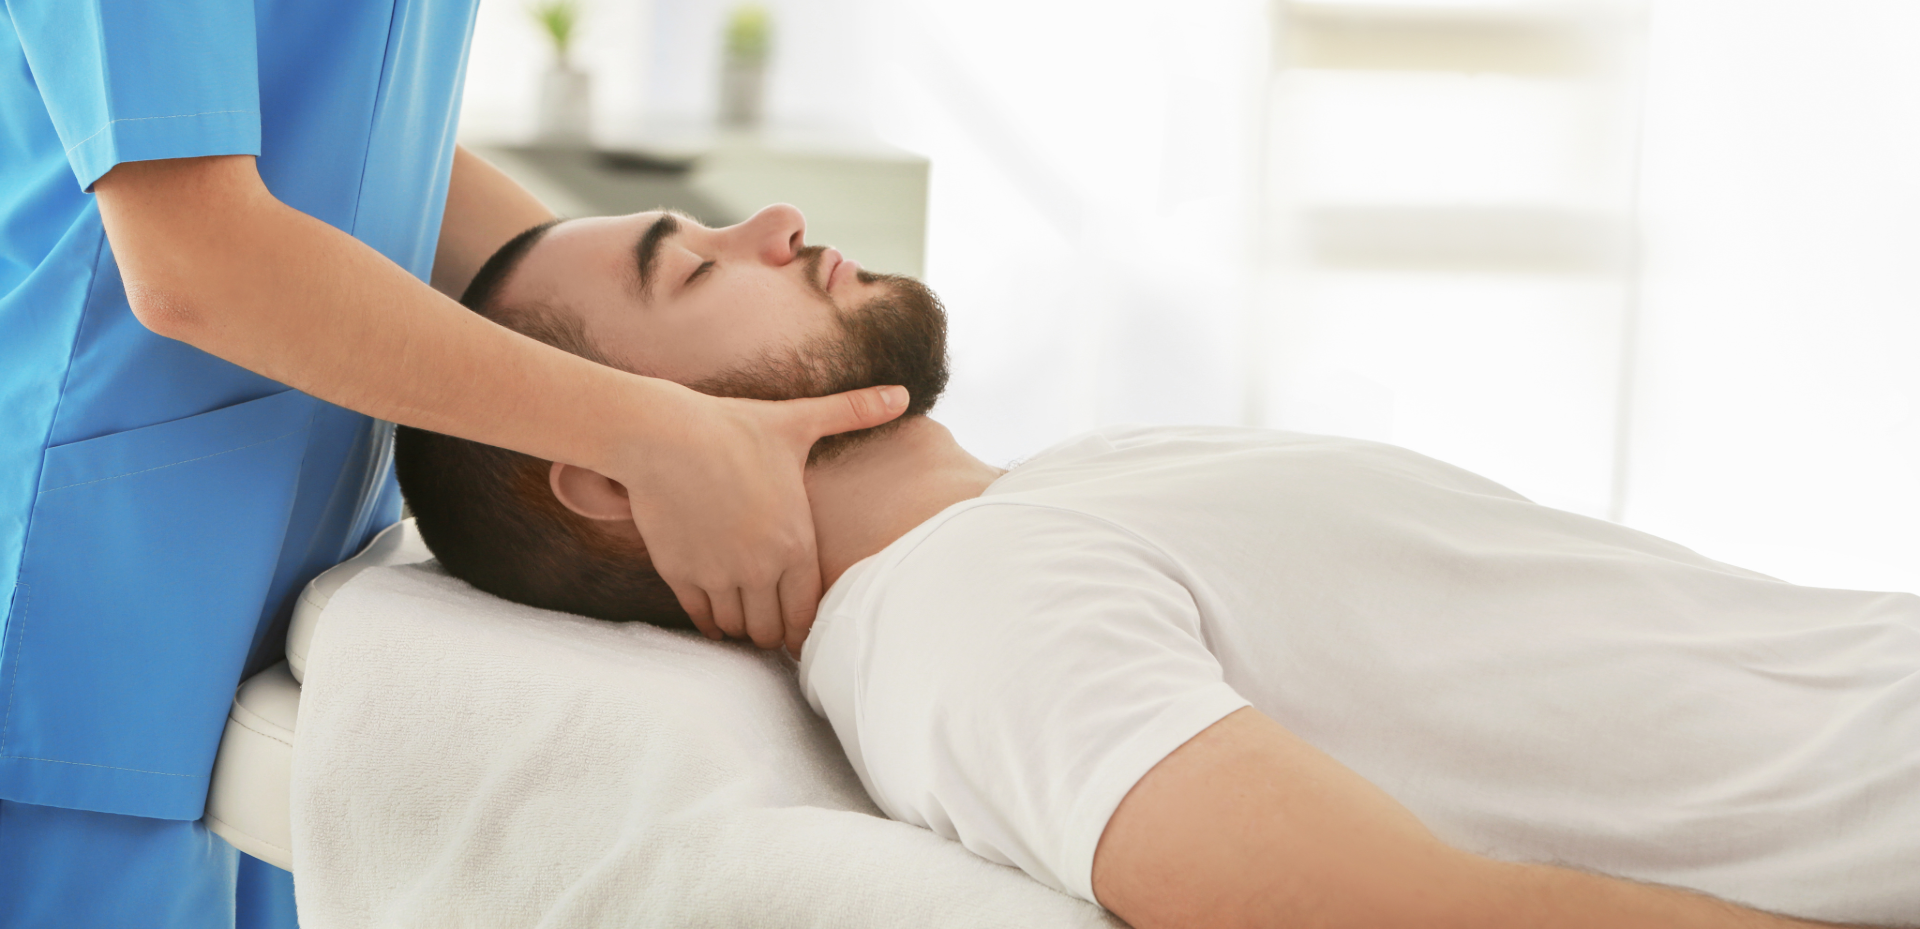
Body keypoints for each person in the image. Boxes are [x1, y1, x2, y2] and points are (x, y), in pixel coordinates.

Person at [394, 204, 1920, 929]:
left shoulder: (1047, 507)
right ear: (612, 477)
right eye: (689, 262)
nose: (772, 220)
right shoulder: (962, 622)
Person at [0, 0, 902, 926]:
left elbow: (363, 126)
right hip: (85, 583)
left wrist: (656, 356)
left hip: (281, 561)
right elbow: (194, 256)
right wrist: (649, 429)